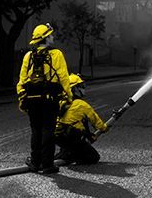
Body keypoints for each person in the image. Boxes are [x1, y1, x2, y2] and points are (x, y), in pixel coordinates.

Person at [16, 23, 73, 174]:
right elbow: (64, 78)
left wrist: (22, 100)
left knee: (36, 130)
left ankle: (35, 162)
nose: (53, 37)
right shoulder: (56, 54)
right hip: (50, 100)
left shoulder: (28, 56)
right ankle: (47, 164)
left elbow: (22, 81)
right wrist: (69, 97)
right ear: (46, 38)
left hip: (32, 100)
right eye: (51, 35)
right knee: (48, 130)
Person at [55, 73, 110, 165]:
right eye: (80, 86)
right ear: (74, 89)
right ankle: (76, 156)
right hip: (73, 138)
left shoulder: (60, 102)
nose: (83, 89)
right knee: (93, 157)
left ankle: (66, 154)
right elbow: (97, 122)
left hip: (59, 138)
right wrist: (105, 128)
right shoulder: (81, 104)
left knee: (68, 150)